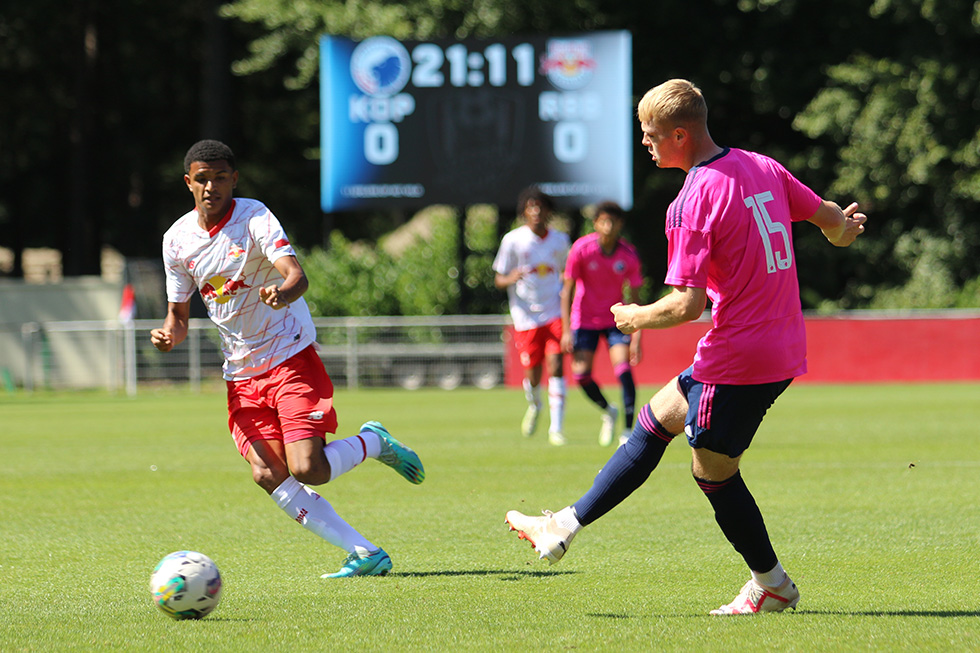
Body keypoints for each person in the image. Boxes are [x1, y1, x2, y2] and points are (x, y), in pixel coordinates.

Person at [505, 80, 867, 614]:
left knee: (713, 472)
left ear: (679, 134)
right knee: (655, 420)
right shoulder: (761, 166)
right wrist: (844, 230)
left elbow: (686, 305)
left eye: (650, 135)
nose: (645, 144)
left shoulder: (692, 201)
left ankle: (773, 585)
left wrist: (634, 317)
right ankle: (564, 525)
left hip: (740, 357)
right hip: (779, 344)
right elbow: (832, 221)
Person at [150, 139, 425, 578]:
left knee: (308, 468)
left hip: (287, 357)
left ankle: (374, 442)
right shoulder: (177, 240)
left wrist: (282, 292)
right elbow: (178, 316)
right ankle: (365, 552)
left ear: (233, 180)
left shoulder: (254, 216)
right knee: (266, 472)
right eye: (202, 179)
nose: (211, 187)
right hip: (240, 375)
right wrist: (169, 335)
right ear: (188, 182)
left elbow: (297, 276)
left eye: (221, 178)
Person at [561, 201, 644, 447]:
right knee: (581, 374)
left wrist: (637, 336)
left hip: (615, 320)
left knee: (624, 370)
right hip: (584, 320)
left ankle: (627, 432)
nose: (608, 226)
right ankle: (609, 409)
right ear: (595, 223)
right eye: (603, 221)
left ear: (620, 225)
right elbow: (567, 291)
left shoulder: (627, 255)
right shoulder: (581, 249)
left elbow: (636, 299)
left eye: (613, 221)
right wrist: (566, 329)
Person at [493, 186, 570, 446]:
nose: (536, 211)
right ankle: (535, 404)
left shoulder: (560, 240)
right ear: (524, 211)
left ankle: (556, 429)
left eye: (540, 206)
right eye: (531, 206)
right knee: (533, 373)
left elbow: (567, 272)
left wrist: (564, 285)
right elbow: (498, 279)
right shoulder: (513, 240)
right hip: (525, 316)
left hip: (554, 312)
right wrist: (511, 278)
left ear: (548, 211)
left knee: (556, 366)